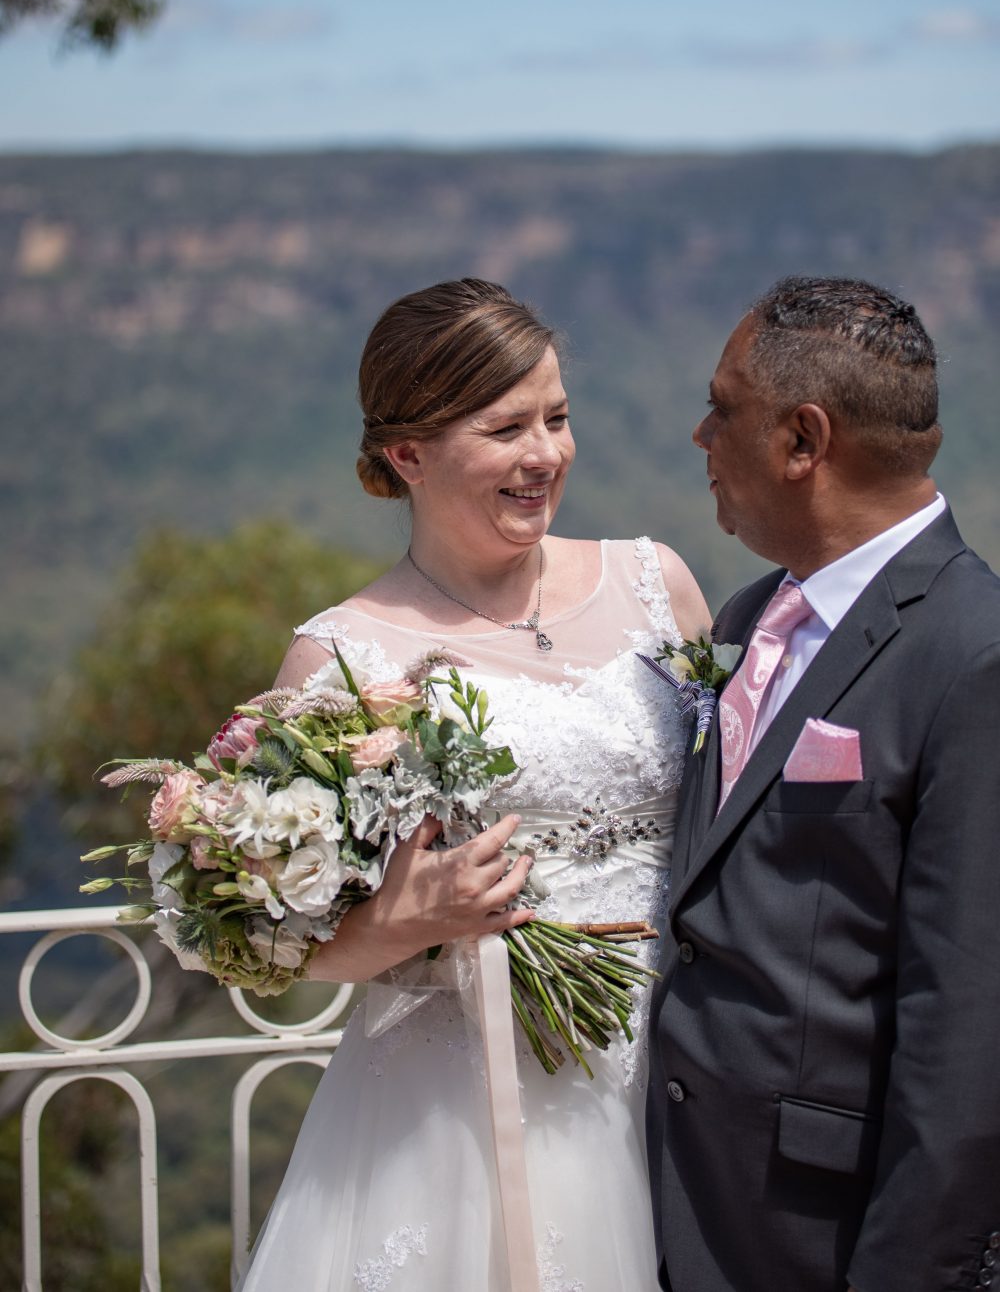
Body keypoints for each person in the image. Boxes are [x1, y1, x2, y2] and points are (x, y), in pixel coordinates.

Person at [237, 277, 709, 1291]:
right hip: (473, 1108)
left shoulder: (657, 584)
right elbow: (275, 947)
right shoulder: (340, 660)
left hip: (696, 1069)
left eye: (557, 418)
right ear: (407, 454)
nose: (546, 455)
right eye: (505, 429)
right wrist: (403, 923)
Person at [647, 276, 1000, 1292]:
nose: (700, 435)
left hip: (823, 1237)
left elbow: (968, 1026)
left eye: (722, 409)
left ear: (802, 441)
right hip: (679, 1202)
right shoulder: (744, 617)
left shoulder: (974, 657)